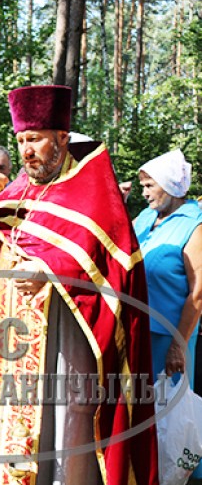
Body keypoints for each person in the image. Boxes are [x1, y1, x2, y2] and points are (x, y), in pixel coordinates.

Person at [0, 85, 157, 483]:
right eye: (21, 140)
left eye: (36, 140)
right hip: (10, 347)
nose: (26, 151)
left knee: (64, 431)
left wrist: (52, 273)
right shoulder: (15, 191)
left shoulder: (94, 195)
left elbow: (115, 272)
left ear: (62, 138)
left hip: (66, 340)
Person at [135, 150, 202, 481]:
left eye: (150, 185)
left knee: (169, 419)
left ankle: (172, 475)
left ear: (171, 185)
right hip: (137, 334)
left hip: (169, 340)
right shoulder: (146, 219)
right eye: (143, 185)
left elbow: (199, 292)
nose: (144, 192)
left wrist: (179, 343)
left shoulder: (195, 225)